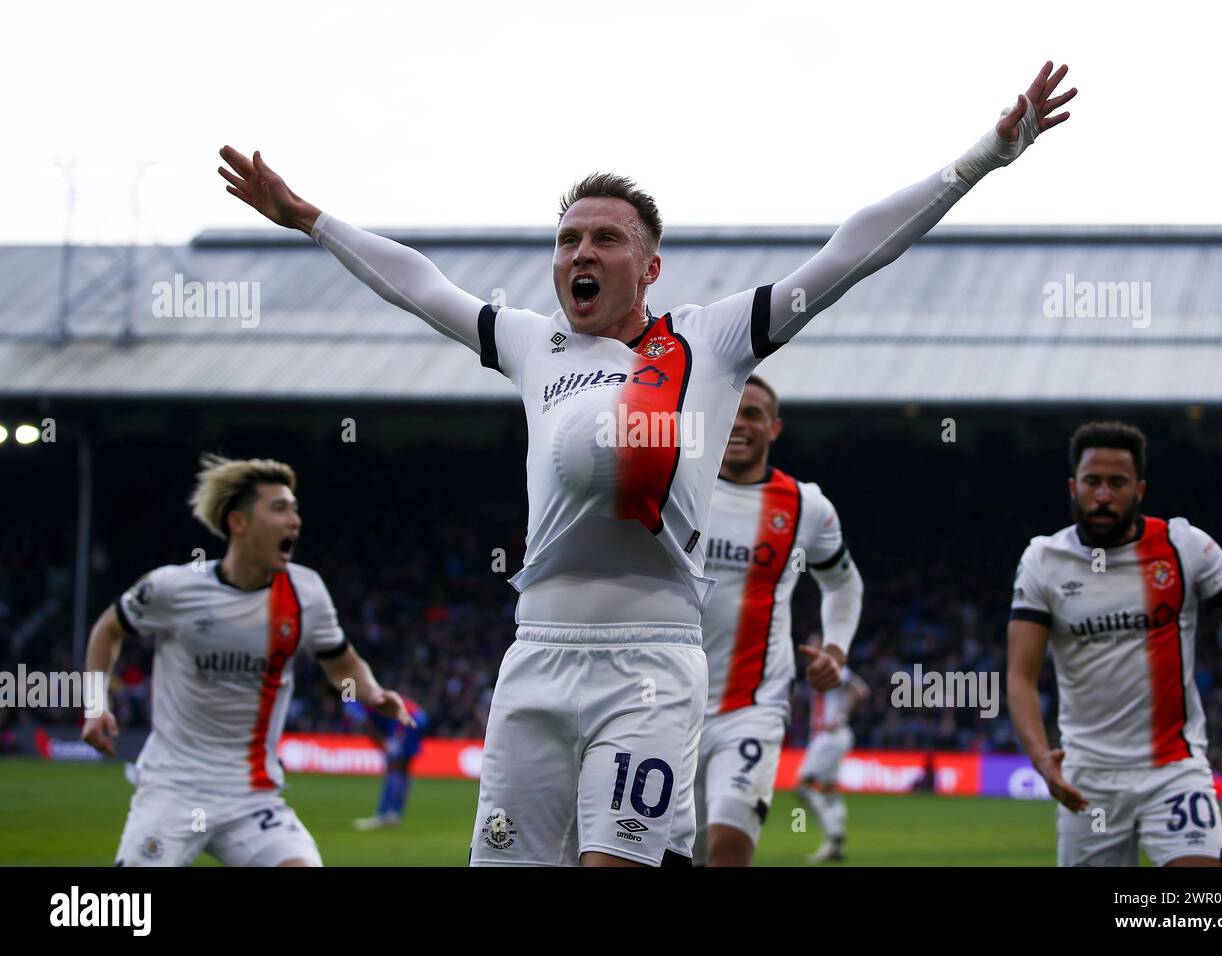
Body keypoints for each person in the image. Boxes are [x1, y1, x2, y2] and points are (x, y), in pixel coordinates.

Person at [219, 61, 1075, 867]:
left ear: (651, 266)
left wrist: (984, 156)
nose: (580, 254)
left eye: (606, 239)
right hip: (535, 655)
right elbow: (420, 284)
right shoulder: (531, 344)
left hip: (652, 664)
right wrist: (311, 219)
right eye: (567, 240)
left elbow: (851, 253)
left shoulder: (711, 339)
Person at [81, 455, 412, 866]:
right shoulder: (174, 588)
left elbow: (342, 666)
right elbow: (107, 629)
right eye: (279, 508)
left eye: (294, 509)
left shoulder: (305, 593)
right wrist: (95, 705)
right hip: (173, 790)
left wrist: (372, 693)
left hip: (253, 798)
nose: (294, 521)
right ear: (239, 523)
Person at [1007, 422, 1222, 867]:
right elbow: (1020, 676)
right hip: (1090, 781)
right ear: (1073, 487)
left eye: (1117, 483)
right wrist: (1041, 758)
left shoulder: (1184, 547)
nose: (1103, 495)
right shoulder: (1043, 561)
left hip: (1174, 771)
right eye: (1092, 482)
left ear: (1139, 490)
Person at [692, 375, 863, 866]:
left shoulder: (807, 507)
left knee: (728, 846)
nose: (739, 423)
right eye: (731, 411)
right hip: (668, 702)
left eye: (753, 414)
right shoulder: (677, 488)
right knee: (676, 851)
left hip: (753, 707)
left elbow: (844, 583)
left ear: (774, 428)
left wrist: (836, 650)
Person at [796, 645, 869, 863]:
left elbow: (860, 690)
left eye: (814, 645)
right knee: (829, 789)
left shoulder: (832, 667)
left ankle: (834, 834)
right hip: (829, 737)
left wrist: (840, 717)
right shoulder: (819, 673)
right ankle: (835, 847)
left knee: (803, 788)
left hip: (830, 736)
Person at [345, 694, 430, 830]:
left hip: (405, 719)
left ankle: (384, 814)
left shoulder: (352, 703)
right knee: (402, 768)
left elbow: (367, 725)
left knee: (394, 767)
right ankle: (394, 813)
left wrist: (383, 744)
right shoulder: (362, 693)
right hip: (416, 715)